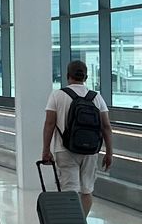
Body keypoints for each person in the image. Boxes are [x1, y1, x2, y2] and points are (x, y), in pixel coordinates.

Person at [42, 59, 113, 216]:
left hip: (64, 149)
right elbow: (106, 126)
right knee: (86, 190)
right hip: (91, 151)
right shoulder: (97, 97)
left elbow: (49, 124)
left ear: (68, 76)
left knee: (69, 191)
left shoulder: (57, 96)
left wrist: (46, 150)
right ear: (85, 77)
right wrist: (109, 153)